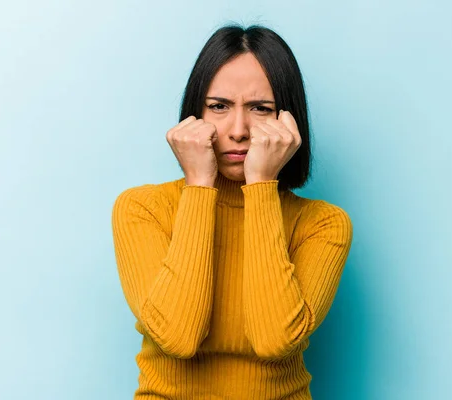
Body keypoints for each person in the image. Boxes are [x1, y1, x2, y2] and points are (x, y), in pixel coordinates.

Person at [111, 23, 353, 399]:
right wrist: (199, 187)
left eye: (260, 108)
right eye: (219, 107)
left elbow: (275, 340)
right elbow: (177, 335)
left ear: (287, 121)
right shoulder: (142, 209)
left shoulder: (322, 225)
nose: (238, 129)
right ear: (195, 115)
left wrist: (260, 185)